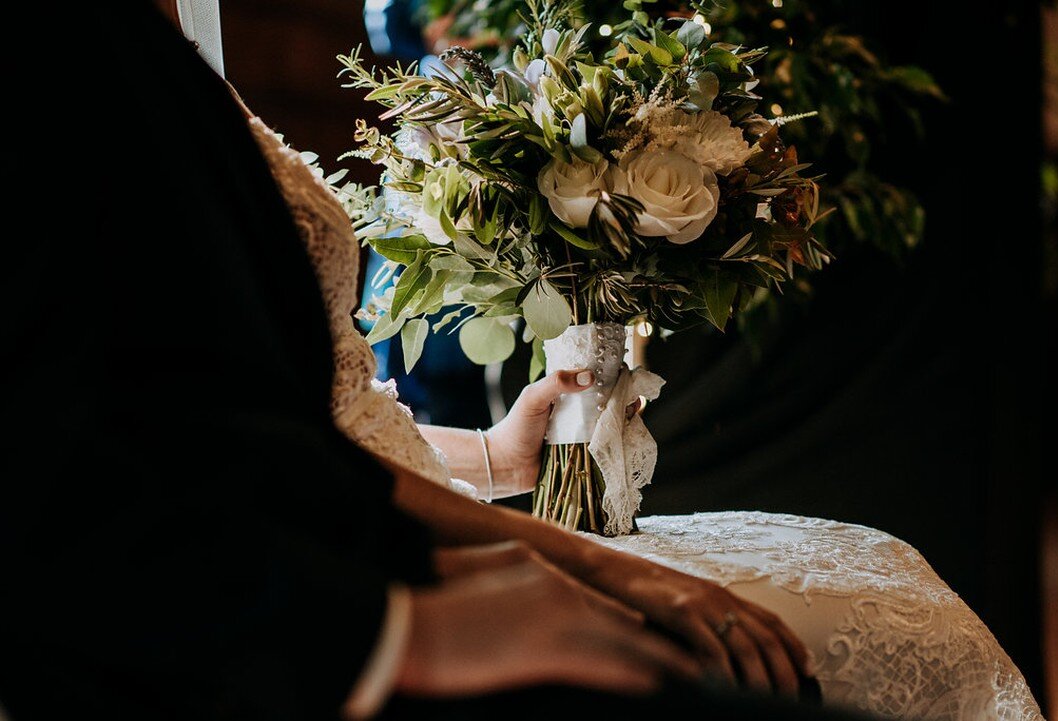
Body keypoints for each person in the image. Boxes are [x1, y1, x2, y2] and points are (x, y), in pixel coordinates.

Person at [4, 4, 855, 721]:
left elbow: (267, 417)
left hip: (377, 544)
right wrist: (395, 632)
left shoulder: (153, 45)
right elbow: (73, 454)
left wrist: (494, 459)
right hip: (260, 640)